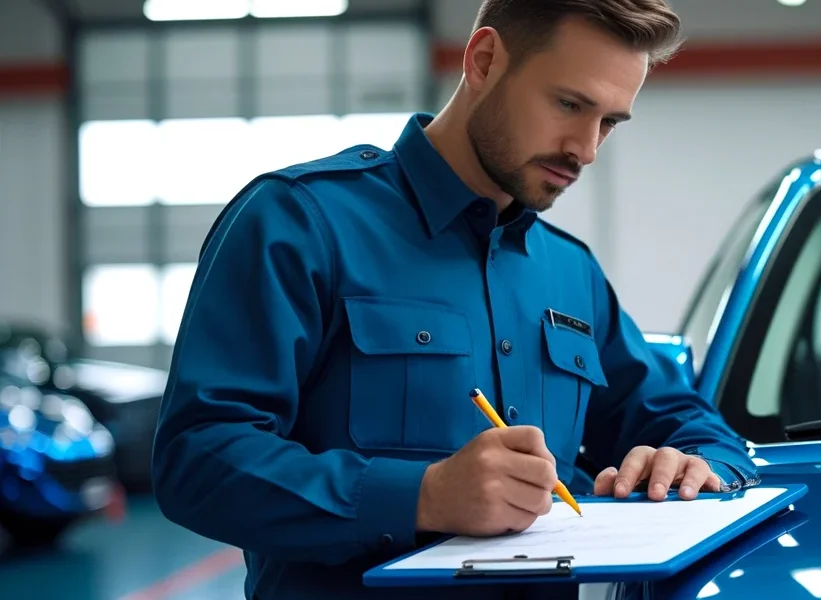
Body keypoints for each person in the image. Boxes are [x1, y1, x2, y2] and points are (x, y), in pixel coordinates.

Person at [150, 0, 758, 598]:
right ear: (485, 59)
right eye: (570, 104)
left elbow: (692, 426)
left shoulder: (570, 273)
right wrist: (425, 496)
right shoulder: (299, 223)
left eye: (609, 122)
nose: (586, 149)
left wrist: (700, 464)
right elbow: (197, 459)